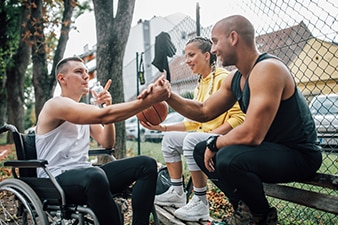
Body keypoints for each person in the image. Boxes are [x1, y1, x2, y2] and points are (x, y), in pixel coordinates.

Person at [140, 15, 322, 225]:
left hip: (299, 154)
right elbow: (204, 110)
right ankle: (246, 212)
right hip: (270, 149)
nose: (214, 49)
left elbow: (252, 133)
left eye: (216, 41)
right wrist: (168, 95)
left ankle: (260, 215)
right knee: (200, 150)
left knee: (228, 157)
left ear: (233, 37)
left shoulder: (268, 69)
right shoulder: (237, 78)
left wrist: (215, 142)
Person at [35, 56, 170, 225]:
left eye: (86, 72)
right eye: (79, 72)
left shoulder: (85, 110)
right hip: (55, 179)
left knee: (146, 164)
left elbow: (107, 143)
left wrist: (107, 106)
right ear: (62, 79)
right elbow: (101, 115)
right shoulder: (55, 105)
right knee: (95, 175)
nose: (86, 76)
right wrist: (149, 100)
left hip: (87, 175)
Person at [140, 37, 245, 222]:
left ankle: (200, 201)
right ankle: (177, 192)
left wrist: (214, 139)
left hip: (224, 137)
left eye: (191, 55)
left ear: (206, 55)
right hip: (204, 135)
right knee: (170, 139)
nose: (186, 60)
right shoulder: (200, 83)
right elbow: (192, 123)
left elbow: (239, 118)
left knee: (191, 140)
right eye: (185, 55)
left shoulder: (223, 78)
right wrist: (162, 127)